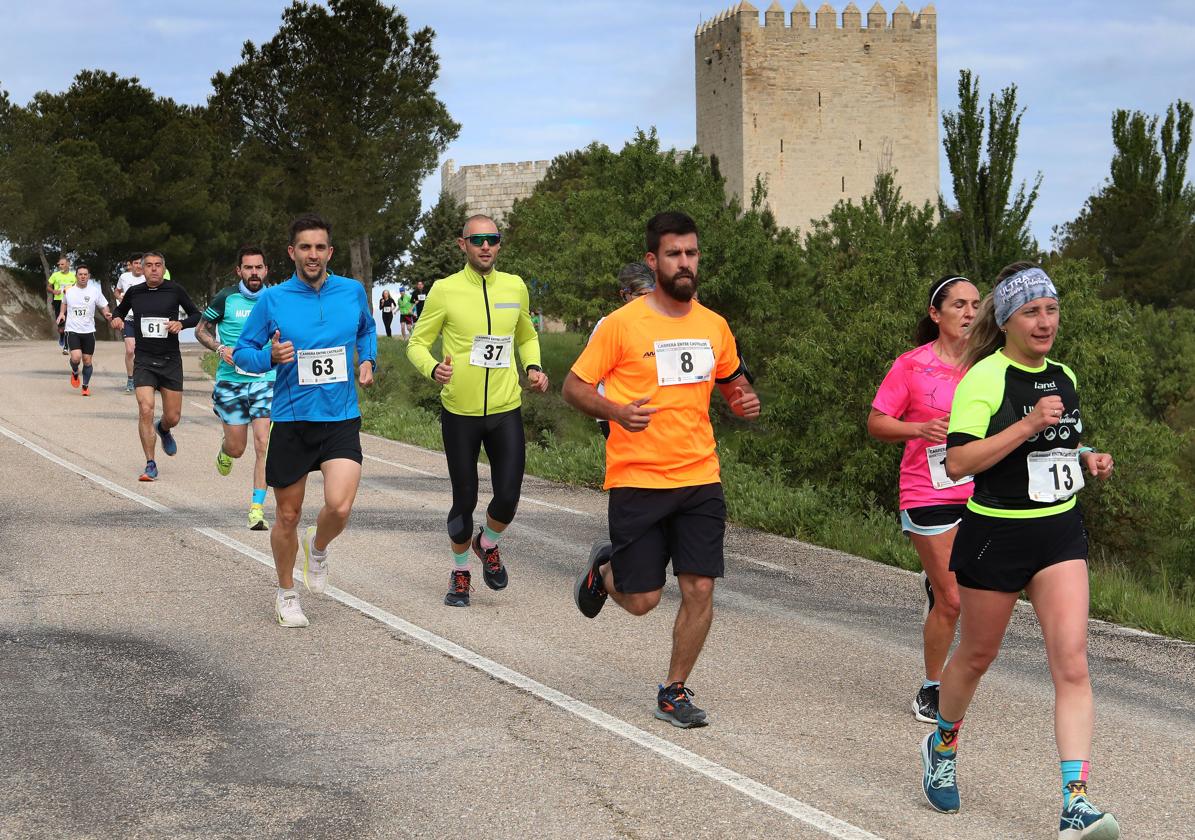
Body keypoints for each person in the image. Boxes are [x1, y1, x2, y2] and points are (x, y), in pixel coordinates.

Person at [919, 263, 1119, 840]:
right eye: (1031, 311)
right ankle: (943, 742)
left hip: (1058, 533)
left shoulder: (1064, 374)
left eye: (1051, 309)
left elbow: (1064, 446)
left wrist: (1088, 459)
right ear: (1005, 319)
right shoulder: (984, 379)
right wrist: (1028, 424)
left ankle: (1075, 804)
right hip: (996, 535)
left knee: (1072, 663)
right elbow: (958, 463)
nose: (1044, 321)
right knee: (977, 658)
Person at [565, 211, 761, 728]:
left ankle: (673, 690)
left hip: (700, 476)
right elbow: (575, 387)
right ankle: (604, 570)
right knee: (642, 600)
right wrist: (616, 412)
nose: (684, 263)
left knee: (700, 587)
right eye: (674, 254)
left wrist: (743, 401)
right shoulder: (621, 325)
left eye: (691, 254)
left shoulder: (713, 325)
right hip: (638, 479)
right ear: (653, 261)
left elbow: (732, 382)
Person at [233, 213, 377, 628]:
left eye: (320, 247)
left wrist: (367, 360)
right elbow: (243, 350)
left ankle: (319, 545)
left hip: (341, 417)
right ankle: (286, 593)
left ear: (330, 252)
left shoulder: (351, 292)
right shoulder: (273, 300)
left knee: (339, 504)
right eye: (305, 247)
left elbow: (367, 331)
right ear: (292, 252)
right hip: (293, 421)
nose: (313, 255)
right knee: (288, 517)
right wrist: (268, 357)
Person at [406, 214, 547, 608]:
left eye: (493, 239)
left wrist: (533, 366)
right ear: (462, 245)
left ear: (500, 244)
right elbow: (417, 343)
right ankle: (461, 572)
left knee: (508, 497)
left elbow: (526, 334)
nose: (486, 246)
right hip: (460, 412)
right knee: (464, 498)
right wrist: (433, 368)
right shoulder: (444, 290)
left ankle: (488, 542)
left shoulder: (515, 286)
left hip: (505, 408)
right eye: (477, 240)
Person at [867, 275, 980, 724]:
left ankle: (938, 587)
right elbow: (877, 423)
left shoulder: (989, 367)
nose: (969, 313)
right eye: (958, 305)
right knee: (951, 600)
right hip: (926, 488)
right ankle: (931, 688)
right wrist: (919, 428)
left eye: (975, 305)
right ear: (936, 314)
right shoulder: (911, 366)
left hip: (979, 490)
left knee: (971, 596)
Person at [195, 246, 277, 531]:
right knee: (237, 447)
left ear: (266, 270)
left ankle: (257, 509)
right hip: (231, 380)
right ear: (239, 271)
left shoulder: (275, 298)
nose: (254, 273)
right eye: (249, 268)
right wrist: (220, 348)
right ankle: (225, 450)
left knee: (263, 444)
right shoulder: (226, 297)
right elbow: (200, 329)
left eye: (259, 267)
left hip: (265, 379)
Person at [110, 252, 201, 481]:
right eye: (148, 265)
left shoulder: (175, 290)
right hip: (144, 361)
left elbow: (196, 315)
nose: (153, 269)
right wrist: (117, 318)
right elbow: (119, 310)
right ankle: (150, 463)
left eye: (157, 265)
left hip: (170, 361)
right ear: (142, 268)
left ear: (163, 268)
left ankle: (164, 429)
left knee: (173, 416)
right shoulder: (135, 292)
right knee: (146, 409)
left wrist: (181, 323)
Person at [590, 261, 656, 439]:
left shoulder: (661, 323)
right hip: (616, 414)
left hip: (654, 412)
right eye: (640, 295)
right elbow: (590, 375)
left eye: (651, 295)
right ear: (624, 295)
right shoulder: (608, 325)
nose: (646, 301)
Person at [57, 265, 114, 397]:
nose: (83, 276)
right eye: (80, 274)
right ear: (76, 276)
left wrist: (107, 314)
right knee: (76, 358)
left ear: (89, 276)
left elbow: (103, 305)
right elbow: (64, 302)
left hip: (88, 331)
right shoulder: (69, 291)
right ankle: (75, 371)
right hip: (72, 329)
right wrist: (61, 313)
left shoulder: (94, 291)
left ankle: (85, 386)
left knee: (87, 360)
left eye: (85, 274)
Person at [114, 254, 146, 393]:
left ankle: (146, 378)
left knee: (144, 351)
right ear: (131, 264)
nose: (138, 266)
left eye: (140, 263)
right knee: (130, 350)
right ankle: (131, 379)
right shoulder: (124, 277)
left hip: (145, 319)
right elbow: (117, 291)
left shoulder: (148, 277)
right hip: (129, 318)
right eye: (136, 263)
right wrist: (121, 299)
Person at [47, 257, 76, 354]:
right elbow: (48, 287)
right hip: (58, 301)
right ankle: (62, 336)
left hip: (71, 302)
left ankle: (66, 347)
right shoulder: (55, 275)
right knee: (61, 327)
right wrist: (53, 291)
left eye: (62, 264)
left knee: (69, 324)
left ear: (68, 264)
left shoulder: (74, 276)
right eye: (59, 265)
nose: (60, 266)